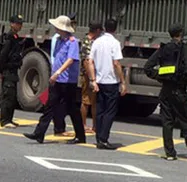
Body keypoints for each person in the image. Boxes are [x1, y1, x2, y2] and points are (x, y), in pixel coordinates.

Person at [144, 23, 187, 161]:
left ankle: (170, 153)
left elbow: (148, 68)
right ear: (181, 34)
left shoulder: (163, 48)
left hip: (166, 90)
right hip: (179, 90)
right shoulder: (184, 49)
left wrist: (162, 75)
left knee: (167, 122)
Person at [23, 15, 86, 144]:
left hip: (68, 81)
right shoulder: (58, 40)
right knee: (49, 106)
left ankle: (80, 135)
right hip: (57, 80)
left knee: (72, 109)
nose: (55, 29)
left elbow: (70, 60)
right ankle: (39, 133)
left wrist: (58, 72)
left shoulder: (72, 42)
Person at [88, 19, 126, 150]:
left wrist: (93, 80)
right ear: (115, 29)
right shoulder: (115, 43)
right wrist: (123, 81)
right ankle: (104, 139)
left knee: (100, 110)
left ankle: (99, 137)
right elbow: (116, 63)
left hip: (99, 80)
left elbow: (90, 62)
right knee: (109, 111)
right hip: (111, 81)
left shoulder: (97, 42)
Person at [50, 12, 77, 137]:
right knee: (61, 104)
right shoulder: (60, 39)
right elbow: (63, 58)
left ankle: (59, 127)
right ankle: (59, 128)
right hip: (60, 75)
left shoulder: (65, 39)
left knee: (60, 103)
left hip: (60, 75)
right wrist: (57, 72)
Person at [0, 14, 24, 128]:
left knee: (12, 96)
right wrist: (0, 70)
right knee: (8, 95)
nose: (20, 26)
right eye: (17, 23)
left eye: (21, 24)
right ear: (12, 24)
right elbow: (3, 55)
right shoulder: (9, 38)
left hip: (13, 70)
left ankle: (9, 119)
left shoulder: (15, 37)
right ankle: (4, 120)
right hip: (7, 70)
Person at [80, 20, 102, 133]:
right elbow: (86, 61)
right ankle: (83, 125)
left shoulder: (94, 41)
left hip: (94, 74)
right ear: (97, 30)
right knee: (86, 101)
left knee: (94, 102)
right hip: (88, 75)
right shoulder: (87, 41)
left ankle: (95, 126)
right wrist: (91, 78)